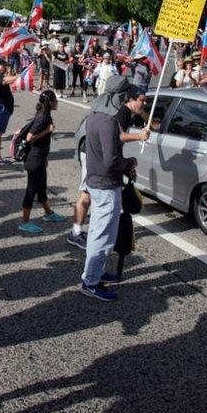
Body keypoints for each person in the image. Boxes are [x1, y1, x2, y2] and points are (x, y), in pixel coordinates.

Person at [79, 76, 146, 302]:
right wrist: (129, 164)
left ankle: (94, 273)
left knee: (99, 232)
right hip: (106, 184)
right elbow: (111, 160)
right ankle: (91, 281)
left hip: (96, 180)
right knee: (103, 236)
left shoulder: (95, 116)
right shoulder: (108, 121)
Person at [68, 88, 151, 249]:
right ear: (130, 99)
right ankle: (77, 234)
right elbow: (118, 136)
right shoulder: (122, 113)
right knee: (87, 194)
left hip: (96, 153)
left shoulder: (125, 112)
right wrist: (139, 137)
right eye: (142, 100)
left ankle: (91, 235)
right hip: (94, 155)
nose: (144, 103)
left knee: (93, 195)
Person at [17, 91, 67, 233]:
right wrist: (47, 131)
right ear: (50, 103)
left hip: (39, 158)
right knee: (31, 190)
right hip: (34, 159)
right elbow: (29, 137)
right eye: (55, 100)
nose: (57, 103)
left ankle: (48, 213)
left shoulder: (44, 114)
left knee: (41, 187)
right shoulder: (44, 117)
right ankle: (25, 222)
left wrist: (44, 159)